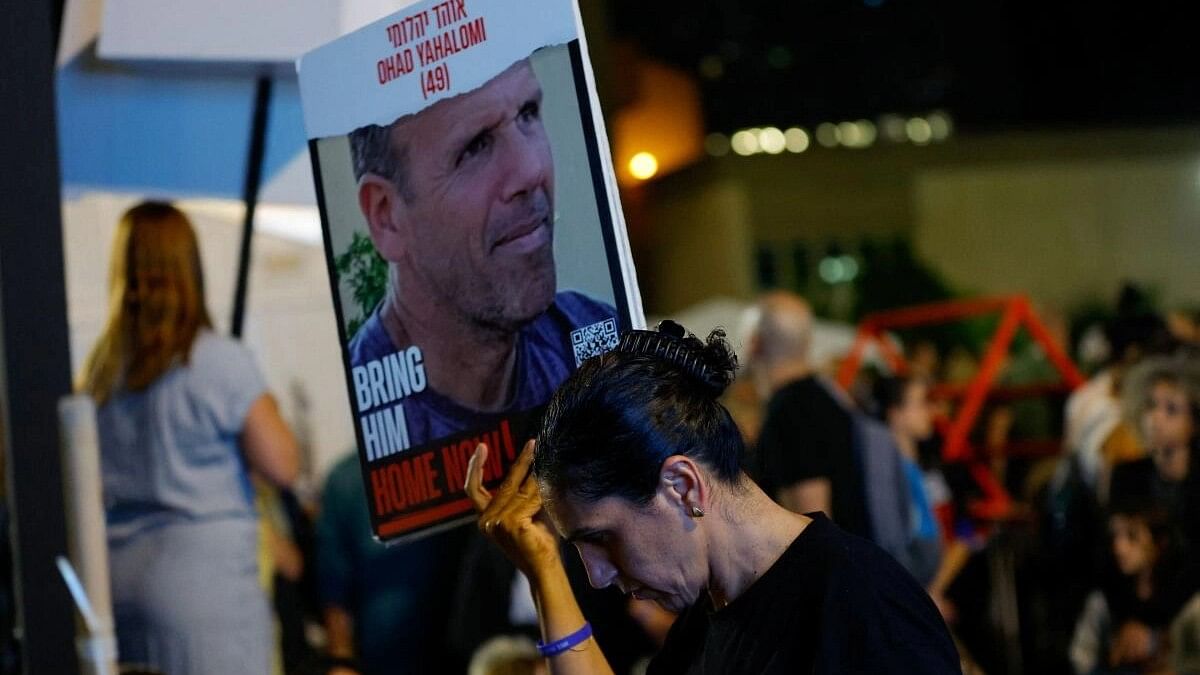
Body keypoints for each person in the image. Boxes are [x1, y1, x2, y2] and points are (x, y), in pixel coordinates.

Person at [466, 321, 961, 673]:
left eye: (602, 538)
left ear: (683, 486)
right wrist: (544, 570)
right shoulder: (708, 620)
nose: (596, 575)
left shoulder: (860, 606)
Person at [347, 57, 616, 447]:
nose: (531, 169)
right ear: (387, 217)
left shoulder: (598, 337)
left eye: (528, 113)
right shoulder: (359, 425)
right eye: (474, 147)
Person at [78, 201, 299, 675]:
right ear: (188, 268)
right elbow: (283, 464)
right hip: (205, 596)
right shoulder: (216, 361)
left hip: (118, 587)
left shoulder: (100, 373)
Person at [315, 452, 467, 675]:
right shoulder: (344, 479)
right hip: (380, 660)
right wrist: (342, 661)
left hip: (461, 656)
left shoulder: (461, 461)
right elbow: (334, 586)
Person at [743, 291, 870, 537]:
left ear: (755, 343)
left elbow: (813, 524)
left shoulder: (791, 411)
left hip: (832, 569)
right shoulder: (828, 397)